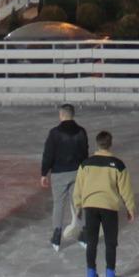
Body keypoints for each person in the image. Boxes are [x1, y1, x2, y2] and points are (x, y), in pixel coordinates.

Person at [72, 129, 135, 277]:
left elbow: (78, 187)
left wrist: (78, 205)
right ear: (110, 144)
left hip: (90, 207)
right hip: (109, 208)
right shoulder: (118, 165)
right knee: (110, 243)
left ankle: (91, 275)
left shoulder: (85, 164)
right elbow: (125, 190)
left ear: (97, 144)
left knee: (91, 241)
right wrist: (130, 208)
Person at [39, 104, 90, 251]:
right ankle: (85, 233)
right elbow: (84, 152)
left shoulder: (54, 133)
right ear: (72, 115)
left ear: (61, 115)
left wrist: (44, 173)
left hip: (59, 173)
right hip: (77, 171)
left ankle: (56, 235)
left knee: (58, 204)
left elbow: (48, 154)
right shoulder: (81, 132)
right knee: (78, 203)